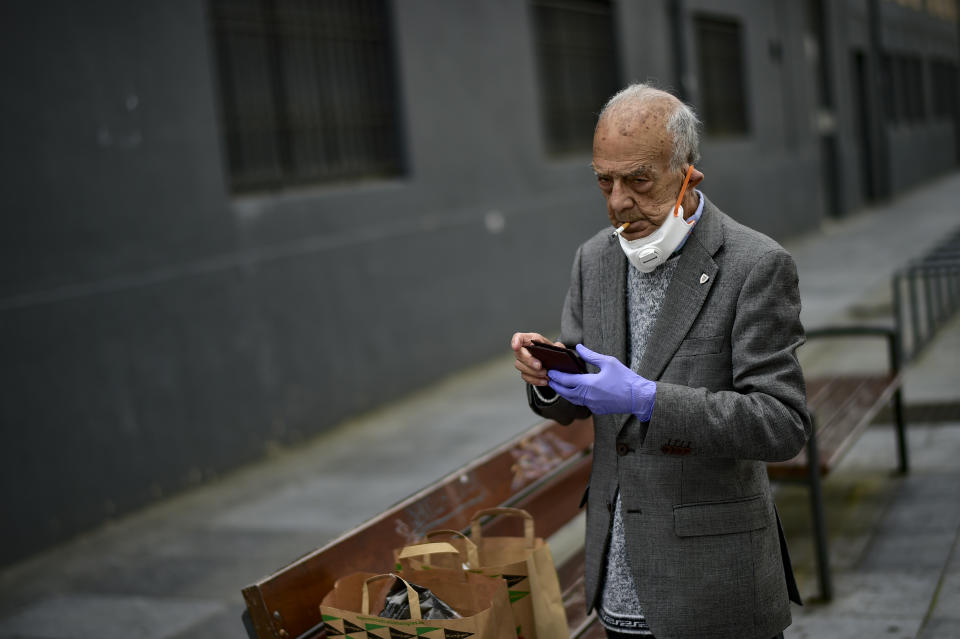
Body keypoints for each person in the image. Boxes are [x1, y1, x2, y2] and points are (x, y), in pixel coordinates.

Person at [510, 83, 810, 639]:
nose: (618, 202)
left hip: (714, 589)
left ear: (688, 172)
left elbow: (782, 424)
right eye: (604, 180)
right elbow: (581, 396)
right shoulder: (595, 258)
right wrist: (548, 380)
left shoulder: (756, 265)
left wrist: (647, 400)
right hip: (615, 580)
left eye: (639, 180)